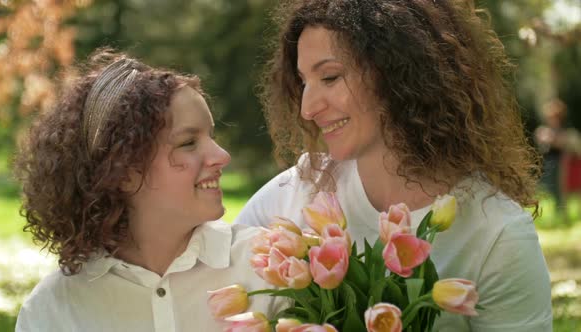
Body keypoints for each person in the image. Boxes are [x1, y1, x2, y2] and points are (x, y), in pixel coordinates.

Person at [235, 0, 552, 330]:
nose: (307, 108)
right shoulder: (301, 189)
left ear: (399, 73)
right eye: (303, 82)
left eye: (330, 77)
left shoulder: (497, 234)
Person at [14, 50, 280, 331]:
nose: (221, 156)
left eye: (210, 137)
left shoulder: (270, 267)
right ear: (124, 172)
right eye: (188, 143)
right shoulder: (52, 309)